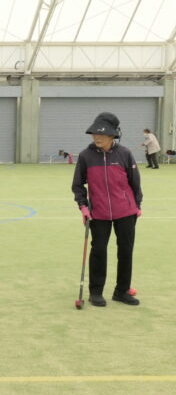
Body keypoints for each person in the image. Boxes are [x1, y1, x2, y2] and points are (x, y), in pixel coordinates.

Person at [72, 112, 142, 307]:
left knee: (126, 251)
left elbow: (135, 183)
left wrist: (137, 205)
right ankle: (96, 292)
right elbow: (78, 185)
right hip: (99, 213)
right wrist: (83, 206)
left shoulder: (125, 154)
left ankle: (122, 291)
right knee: (99, 250)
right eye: (94, 134)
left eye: (101, 134)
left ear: (113, 135)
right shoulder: (86, 156)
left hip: (126, 212)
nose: (97, 137)